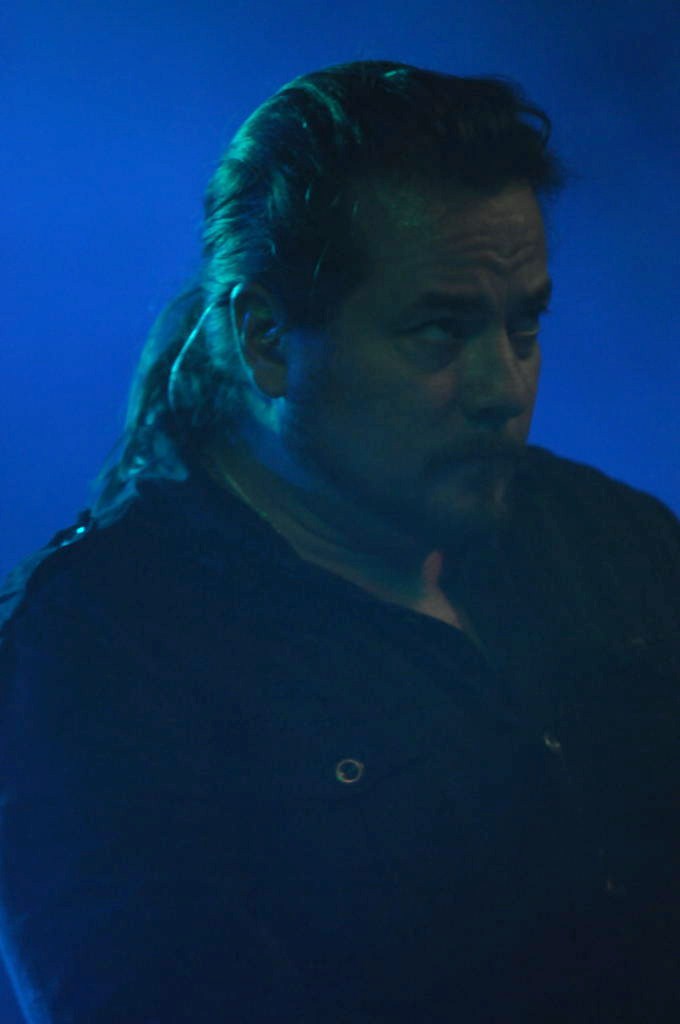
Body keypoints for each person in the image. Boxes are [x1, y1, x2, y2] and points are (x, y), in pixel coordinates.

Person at [0, 60, 679, 1024]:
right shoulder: (94, 654)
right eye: (438, 333)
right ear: (268, 338)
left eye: (524, 325)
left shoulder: (609, 539)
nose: (505, 387)